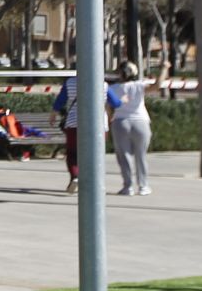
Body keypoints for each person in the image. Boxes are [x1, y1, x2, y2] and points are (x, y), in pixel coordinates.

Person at [50, 68, 121, 194]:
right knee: (96, 155)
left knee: (72, 154)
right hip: (98, 125)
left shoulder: (70, 83)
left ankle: (75, 176)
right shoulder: (103, 84)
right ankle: (95, 182)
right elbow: (115, 102)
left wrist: (54, 114)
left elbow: (60, 101)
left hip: (74, 123)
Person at [110, 61, 169, 196]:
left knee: (124, 156)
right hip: (140, 122)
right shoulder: (139, 85)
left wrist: (108, 122)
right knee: (141, 156)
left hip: (120, 122)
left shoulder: (113, 88)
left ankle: (128, 186)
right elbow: (157, 85)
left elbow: (109, 107)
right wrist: (164, 69)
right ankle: (143, 186)